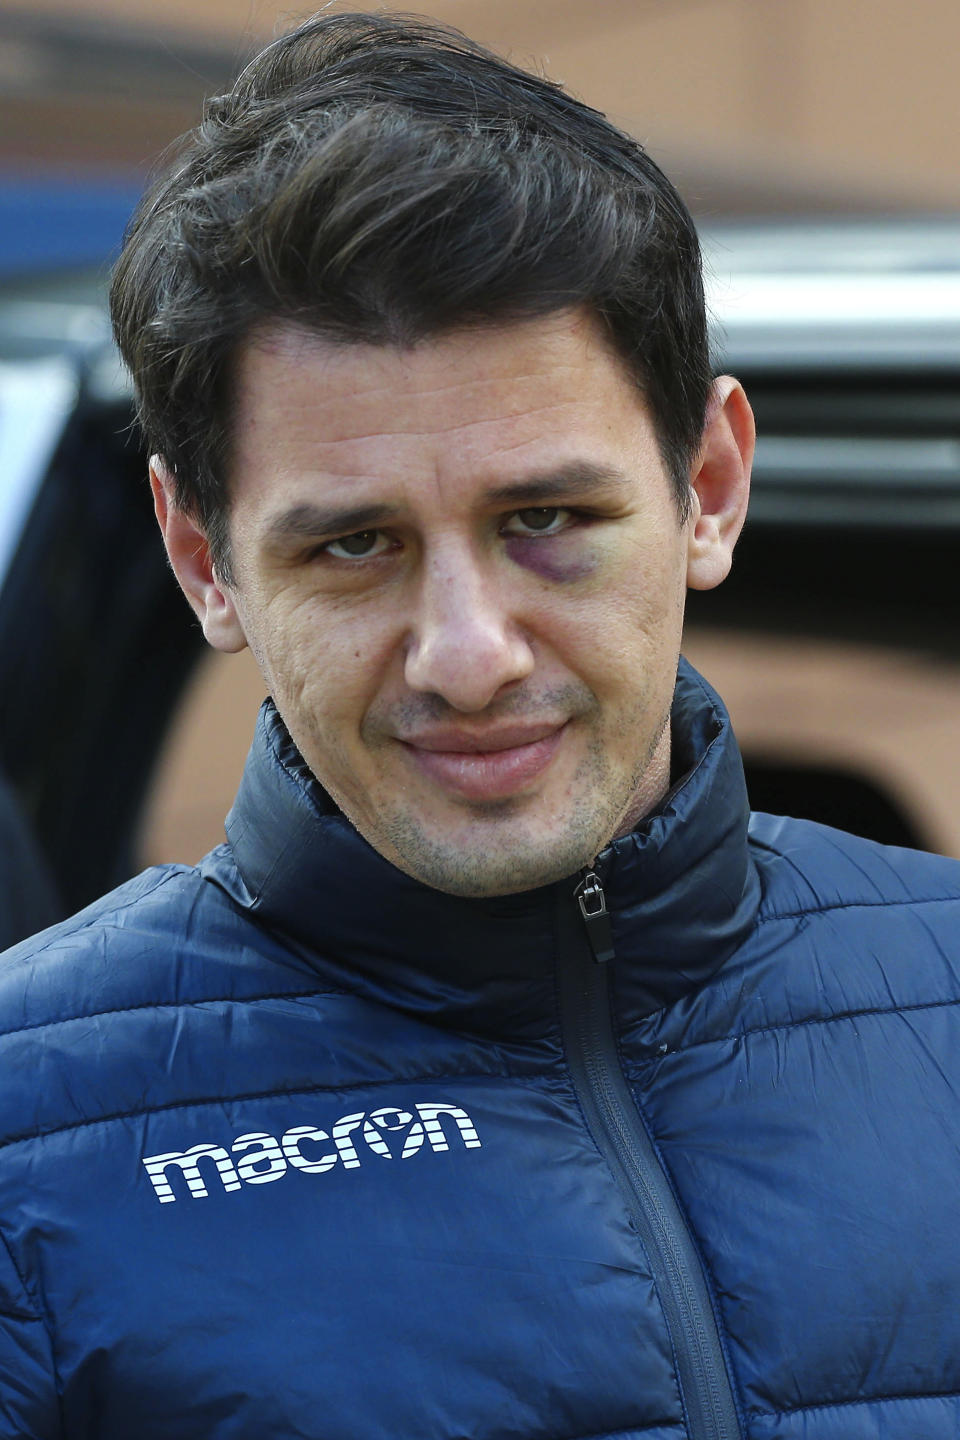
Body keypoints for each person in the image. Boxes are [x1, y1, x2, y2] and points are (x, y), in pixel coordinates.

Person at [2, 12, 959, 1439]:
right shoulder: (29, 1135)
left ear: (709, 482)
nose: (467, 655)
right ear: (205, 563)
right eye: (353, 548)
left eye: (548, 521)